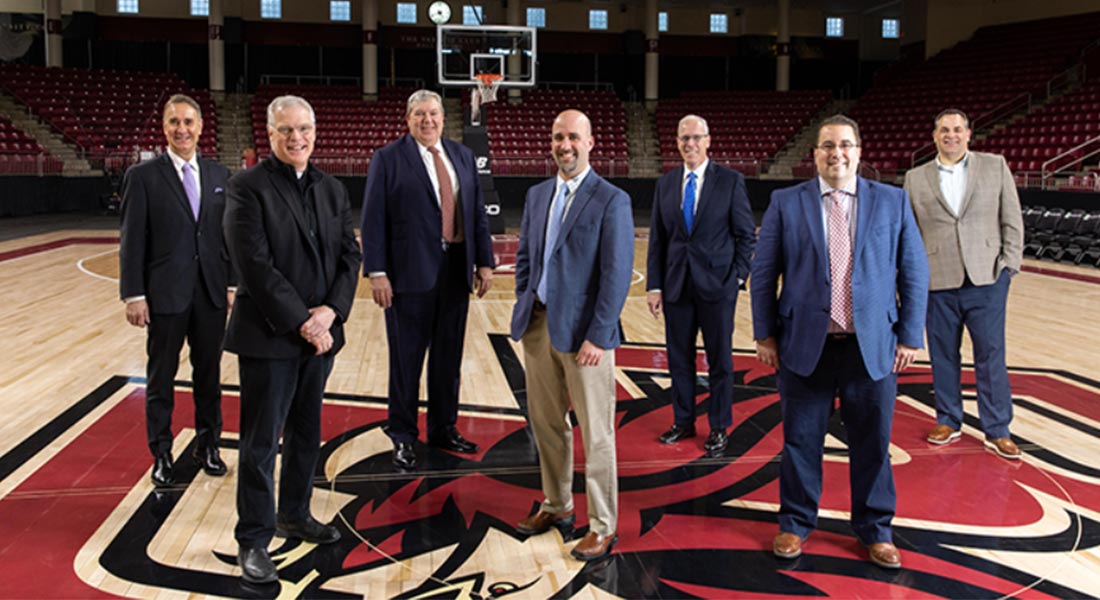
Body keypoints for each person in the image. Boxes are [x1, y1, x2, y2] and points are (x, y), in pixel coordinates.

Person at [750, 115, 929, 569]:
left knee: (873, 443)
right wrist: (764, 334)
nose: (837, 153)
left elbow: (914, 271)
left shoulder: (893, 202)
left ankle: (876, 529)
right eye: (828, 145)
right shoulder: (786, 202)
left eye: (845, 145)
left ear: (859, 151)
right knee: (800, 441)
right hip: (803, 345)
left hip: (870, 345)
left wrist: (909, 334)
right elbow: (764, 273)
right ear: (814, 154)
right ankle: (794, 522)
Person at [223, 95, 362, 584]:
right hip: (270, 336)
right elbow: (254, 267)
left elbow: (350, 256)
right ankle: (254, 539)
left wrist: (331, 312)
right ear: (269, 133)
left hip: (319, 337)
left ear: (315, 130)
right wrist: (303, 320)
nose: (296, 138)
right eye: (286, 130)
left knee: (307, 434)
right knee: (261, 442)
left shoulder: (330, 189)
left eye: (304, 128)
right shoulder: (245, 187)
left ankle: (296, 514)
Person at [509, 109, 634, 562]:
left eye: (574, 138)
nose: (566, 145)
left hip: (587, 337)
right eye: (559, 137)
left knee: (597, 434)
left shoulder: (610, 199)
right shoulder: (539, 194)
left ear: (591, 142)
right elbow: (527, 256)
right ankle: (558, 505)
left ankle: (602, 525)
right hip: (539, 327)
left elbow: (617, 274)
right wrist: (525, 299)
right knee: (546, 425)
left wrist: (600, 336)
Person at [361, 89, 495, 470]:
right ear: (408, 119)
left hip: (456, 271)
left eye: (433, 113)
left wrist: (484, 262)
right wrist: (377, 272)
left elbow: (477, 214)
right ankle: (403, 435)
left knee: (447, 357)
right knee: (406, 362)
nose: (427, 120)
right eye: (419, 114)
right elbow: (373, 218)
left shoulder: (462, 156)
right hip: (407, 276)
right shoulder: (388, 159)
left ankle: (443, 427)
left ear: (442, 117)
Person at [119, 93, 232, 487]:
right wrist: (134, 294)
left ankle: (208, 444)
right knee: (161, 377)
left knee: (209, 376)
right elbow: (132, 240)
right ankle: (162, 452)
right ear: (164, 128)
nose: (182, 129)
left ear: (201, 127)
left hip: (211, 294)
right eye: (174, 122)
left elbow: (227, 237)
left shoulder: (221, 176)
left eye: (188, 121)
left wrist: (232, 282)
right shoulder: (143, 177)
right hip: (165, 294)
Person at [903, 109, 1025, 459]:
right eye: (944, 129)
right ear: (934, 135)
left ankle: (997, 428)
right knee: (942, 356)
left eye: (957, 129)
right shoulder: (915, 177)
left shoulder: (994, 165)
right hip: (937, 280)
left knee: (991, 356)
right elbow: (909, 233)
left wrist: (1009, 267)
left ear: (969, 134)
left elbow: (1012, 219)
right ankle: (948, 419)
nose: (951, 135)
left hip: (987, 278)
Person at [646, 114, 755, 455]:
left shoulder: (730, 181)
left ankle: (719, 426)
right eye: (683, 138)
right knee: (679, 360)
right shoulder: (665, 184)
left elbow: (745, 236)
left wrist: (736, 278)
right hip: (677, 286)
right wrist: (654, 285)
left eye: (695, 137)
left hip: (717, 287)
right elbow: (658, 242)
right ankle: (683, 421)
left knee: (720, 360)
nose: (689, 144)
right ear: (676, 143)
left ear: (708, 140)